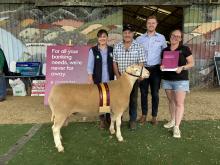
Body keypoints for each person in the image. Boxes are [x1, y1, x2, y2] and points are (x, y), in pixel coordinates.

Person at [161, 29, 194, 138]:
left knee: (179, 103)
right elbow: (163, 63)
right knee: (171, 101)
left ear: (180, 39)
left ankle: (176, 127)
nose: (175, 37)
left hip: (181, 80)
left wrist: (182, 67)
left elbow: (191, 63)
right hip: (167, 80)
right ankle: (172, 120)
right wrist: (162, 66)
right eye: (173, 35)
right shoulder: (165, 50)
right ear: (170, 36)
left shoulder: (185, 49)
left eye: (178, 36)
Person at [113, 24, 145, 130]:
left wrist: (140, 74)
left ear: (133, 34)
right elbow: (114, 63)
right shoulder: (117, 46)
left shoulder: (139, 46)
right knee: (118, 100)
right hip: (120, 80)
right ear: (123, 34)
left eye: (129, 33)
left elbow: (141, 63)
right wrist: (117, 76)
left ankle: (132, 120)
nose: (127, 35)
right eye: (125, 33)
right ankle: (119, 119)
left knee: (133, 99)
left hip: (132, 80)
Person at [136, 15, 167, 125]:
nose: (151, 25)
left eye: (153, 23)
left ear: (156, 24)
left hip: (156, 70)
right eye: (149, 23)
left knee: (155, 93)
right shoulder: (139, 39)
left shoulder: (161, 38)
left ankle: (154, 116)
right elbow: (136, 54)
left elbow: (165, 53)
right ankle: (144, 115)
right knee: (143, 93)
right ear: (146, 24)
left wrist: (165, 65)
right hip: (143, 69)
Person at [87, 29, 114, 129]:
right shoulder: (93, 50)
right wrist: (90, 78)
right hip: (98, 79)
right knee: (101, 99)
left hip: (110, 79)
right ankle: (102, 119)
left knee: (110, 99)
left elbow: (115, 64)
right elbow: (90, 66)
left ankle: (109, 117)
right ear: (98, 38)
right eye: (100, 37)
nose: (102, 38)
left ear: (107, 38)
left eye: (104, 36)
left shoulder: (112, 50)